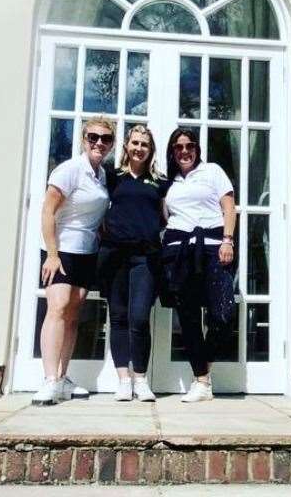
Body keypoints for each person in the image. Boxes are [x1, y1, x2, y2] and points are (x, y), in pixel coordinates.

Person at [34, 116, 115, 405]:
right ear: (84, 139)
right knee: (56, 309)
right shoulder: (69, 170)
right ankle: (48, 381)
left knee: (72, 315)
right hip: (62, 250)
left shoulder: (101, 174)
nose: (99, 143)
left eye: (106, 138)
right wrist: (52, 254)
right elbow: (47, 212)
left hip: (87, 252)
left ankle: (63, 376)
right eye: (93, 137)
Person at [161, 128, 237, 403]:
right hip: (178, 250)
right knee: (189, 316)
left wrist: (227, 240)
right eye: (178, 146)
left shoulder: (213, 171)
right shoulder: (169, 182)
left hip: (214, 245)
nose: (184, 151)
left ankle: (203, 367)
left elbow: (229, 207)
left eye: (189, 145)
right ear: (172, 151)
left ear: (197, 148)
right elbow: (164, 216)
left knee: (223, 314)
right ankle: (202, 382)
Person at [97, 125, 165, 402]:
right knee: (119, 318)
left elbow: (168, 216)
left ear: (151, 150)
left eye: (144, 145)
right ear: (126, 146)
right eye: (135, 143)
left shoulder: (160, 181)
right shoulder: (112, 177)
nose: (139, 148)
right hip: (115, 255)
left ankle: (141, 379)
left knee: (139, 318)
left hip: (145, 257)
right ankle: (124, 380)